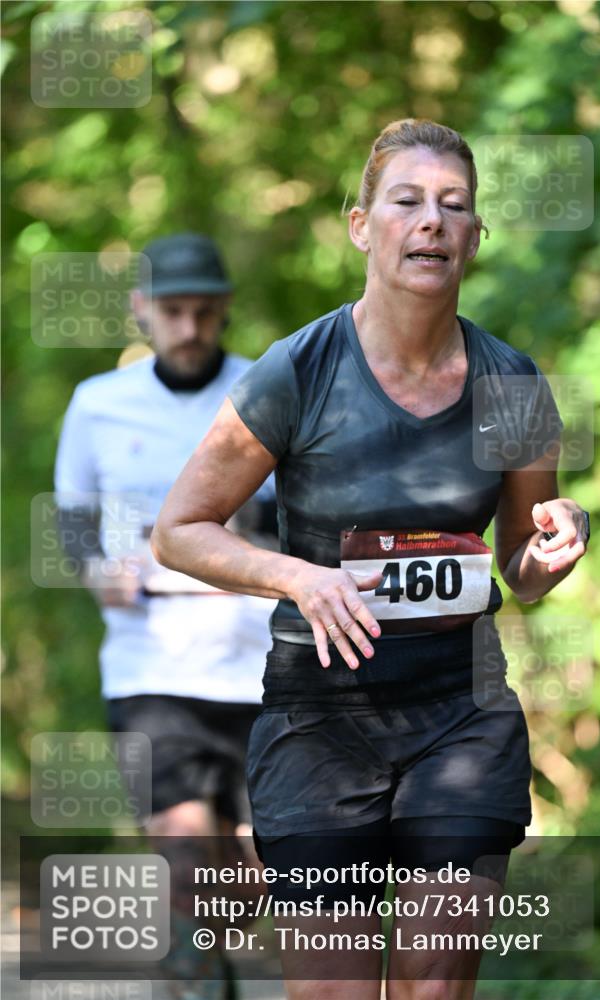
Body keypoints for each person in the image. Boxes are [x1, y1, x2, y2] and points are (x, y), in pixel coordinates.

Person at [151, 122, 590, 999]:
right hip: (322, 722)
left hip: (459, 717)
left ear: (474, 237)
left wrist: (554, 545)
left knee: (434, 986)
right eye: (407, 201)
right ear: (361, 225)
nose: (431, 221)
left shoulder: (512, 384)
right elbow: (180, 529)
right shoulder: (297, 371)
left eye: (454, 207)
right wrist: (296, 576)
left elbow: (518, 568)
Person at [54, 233, 276, 1000]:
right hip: (152, 671)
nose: (189, 328)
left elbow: (301, 517)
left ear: (224, 312)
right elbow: (73, 516)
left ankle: (198, 955)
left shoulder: (265, 391)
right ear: (141, 310)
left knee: (266, 873)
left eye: (204, 312)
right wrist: (96, 574)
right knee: (184, 862)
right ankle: (192, 975)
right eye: (173, 311)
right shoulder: (97, 404)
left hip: (260, 672)